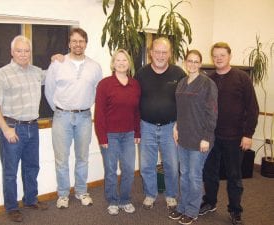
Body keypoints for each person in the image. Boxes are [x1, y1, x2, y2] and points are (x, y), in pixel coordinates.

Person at [0, 35, 48, 222]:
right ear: (12, 52)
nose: (23, 54)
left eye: (27, 50)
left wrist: (58, 59)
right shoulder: (2, 74)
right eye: (19, 50)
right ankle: (12, 207)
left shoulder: (36, 72)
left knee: (32, 167)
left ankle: (30, 200)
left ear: (30, 52)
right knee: (10, 171)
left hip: (32, 127)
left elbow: (53, 76)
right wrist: (5, 129)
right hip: (12, 128)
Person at [199, 42, 259, 225]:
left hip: (235, 138)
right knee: (210, 172)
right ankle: (210, 201)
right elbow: (202, 108)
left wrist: (248, 134)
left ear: (229, 56)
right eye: (215, 55)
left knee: (234, 176)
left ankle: (235, 210)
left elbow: (253, 107)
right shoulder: (208, 80)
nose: (218, 58)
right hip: (212, 137)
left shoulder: (242, 78)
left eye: (222, 55)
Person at [45, 28, 102, 209]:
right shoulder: (57, 64)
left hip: (84, 117)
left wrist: (83, 106)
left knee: (82, 158)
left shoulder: (95, 66)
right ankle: (63, 194)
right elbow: (49, 90)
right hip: (61, 117)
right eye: (74, 41)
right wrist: (60, 110)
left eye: (81, 41)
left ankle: (81, 191)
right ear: (69, 43)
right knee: (61, 159)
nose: (78, 44)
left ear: (86, 43)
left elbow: (97, 91)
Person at [134, 37, 186, 212]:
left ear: (170, 54)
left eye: (165, 52)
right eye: (157, 51)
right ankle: (150, 194)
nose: (161, 55)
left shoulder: (179, 74)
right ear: (151, 53)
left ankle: (171, 195)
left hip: (170, 128)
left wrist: (179, 124)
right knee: (146, 165)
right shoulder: (141, 73)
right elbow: (133, 100)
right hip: (146, 126)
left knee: (172, 165)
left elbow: (186, 102)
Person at [169, 50, 218, 225]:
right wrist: (176, 126)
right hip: (183, 137)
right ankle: (182, 207)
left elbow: (212, 112)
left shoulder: (207, 83)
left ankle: (192, 211)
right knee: (184, 174)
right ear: (185, 62)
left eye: (196, 61)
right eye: (190, 61)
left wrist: (206, 137)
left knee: (194, 176)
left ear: (200, 63)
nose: (193, 64)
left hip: (200, 139)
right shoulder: (182, 83)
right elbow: (181, 110)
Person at [94, 49, 141, 215]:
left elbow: (136, 111)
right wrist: (102, 136)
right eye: (118, 60)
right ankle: (113, 200)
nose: (121, 63)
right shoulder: (105, 84)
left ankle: (125, 199)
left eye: (125, 60)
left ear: (129, 64)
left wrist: (137, 132)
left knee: (128, 169)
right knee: (111, 170)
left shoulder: (135, 84)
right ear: (113, 63)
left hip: (128, 134)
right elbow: (99, 113)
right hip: (110, 135)